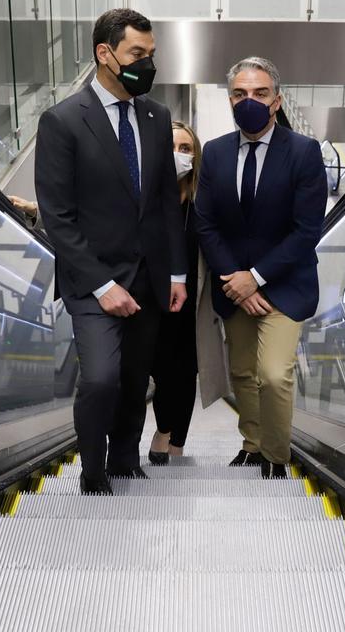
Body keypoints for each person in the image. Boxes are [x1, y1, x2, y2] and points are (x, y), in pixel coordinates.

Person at [34, 9, 187, 495]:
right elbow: (58, 216)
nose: (148, 65)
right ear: (105, 54)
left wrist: (177, 274)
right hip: (91, 279)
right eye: (136, 55)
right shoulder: (62, 121)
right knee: (100, 378)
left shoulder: (156, 116)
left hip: (148, 275)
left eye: (151, 55)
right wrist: (102, 286)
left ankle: (125, 460)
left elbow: (166, 202)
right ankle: (93, 469)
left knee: (135, 377)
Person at [194, 57, 326, 479]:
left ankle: (276, 455)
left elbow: (307, 230)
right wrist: (238, 279)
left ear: (277, 100)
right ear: (230, 99)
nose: (249, 100)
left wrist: (258, 278)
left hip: (285, 286)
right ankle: (252, 444)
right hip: (235, 286)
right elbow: (206, 223)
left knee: (273, 374)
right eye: (240, 93)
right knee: (243, 373)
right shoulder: (214, 153)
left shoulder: (304, 152)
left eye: (260, 93)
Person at [148, 122, 203, 463]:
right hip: (150, 301)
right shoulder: (143, 199)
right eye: (171, 147)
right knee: (159, 370)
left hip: (192, 307)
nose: (178, 155)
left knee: (185, 374)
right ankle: (164, 429)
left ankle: (176, 440)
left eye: (185, 149)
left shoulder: (202, 203)